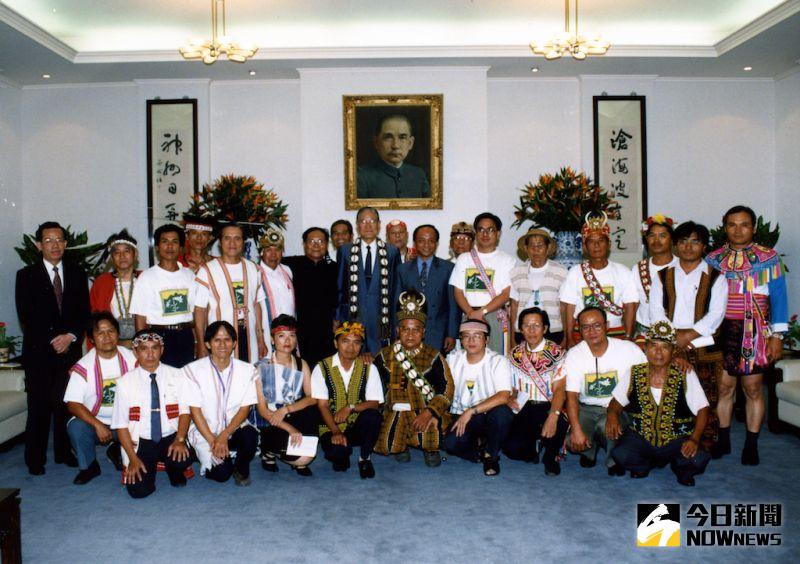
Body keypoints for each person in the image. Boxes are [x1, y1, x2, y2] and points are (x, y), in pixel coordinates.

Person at [706, 205, 788, 465]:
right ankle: (724, 438)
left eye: (744, 224)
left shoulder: (769, 258)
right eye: (732, 224)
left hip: (754, 330)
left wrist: (778, 336)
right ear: (724, 227)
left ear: (753, 227)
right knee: (723, 387)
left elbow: (779, 298)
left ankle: (751, 444)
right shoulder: (713, 259)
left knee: (752, 388)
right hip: (722, 330)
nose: (738, 230)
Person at [16, 221, 90, 475]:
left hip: (69, 350)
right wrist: (54, 338)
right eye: (48, 240)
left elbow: (84, 313)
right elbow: (27, 316)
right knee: (38, 406)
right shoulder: (26, 276)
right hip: (39, 351)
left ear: (66, 244)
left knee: (65, 403)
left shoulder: (78, 273)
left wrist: (70, 336)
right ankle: (35, 459)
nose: (54, 245)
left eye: (59, 240)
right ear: (39, 245)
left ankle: (62, 452)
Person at [649, 221, 727, 449]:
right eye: (683, 241)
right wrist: (673, 339)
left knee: (705, 398)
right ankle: (670, 444)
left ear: (704, 246)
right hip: (667, 346)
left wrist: (689, 335)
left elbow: (716, 314)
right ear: (675, 245)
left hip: (704, 345)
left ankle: (704, 445)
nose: (688, 247)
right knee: (670, 397)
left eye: (695, 242)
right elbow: (656, 312)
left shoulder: (716, 277)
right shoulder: (663, 277)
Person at [607, 321, 711, 486]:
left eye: (665, 347)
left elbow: (703, 409)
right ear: (646, 348)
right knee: (620, 454)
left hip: (676, 440)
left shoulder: (685, 373)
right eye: (653, 346)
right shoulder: (635, 372)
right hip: (642, 438)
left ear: (673, 351)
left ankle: (680, 468)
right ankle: (643, 465)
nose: (658, 352)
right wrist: (612, 415)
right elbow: (616, 402)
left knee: (699, 458)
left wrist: (694, 439)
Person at [373, 291, 454, 467]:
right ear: (397, 331)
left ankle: (430, 448)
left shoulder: (434, 355)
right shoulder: (384, 356)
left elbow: (447, 389)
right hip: (395, 410)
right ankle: (401, 445)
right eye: (405, 329)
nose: (410, 335)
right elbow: (373, 389)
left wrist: (430, 412)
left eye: (416, 330)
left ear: (423, 332)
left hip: (425, 410)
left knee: (431, 432)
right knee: (388, 441)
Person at [564, 307, 646, 475]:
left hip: (617, 408)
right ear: (579, 329)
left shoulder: (628, 349)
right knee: (572, 441)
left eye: (597, 325)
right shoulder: (574, 354)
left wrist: (677, 360)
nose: (592, 331)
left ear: (607, 325)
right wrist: (577, 430)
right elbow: (571, 396)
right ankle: (589, 452)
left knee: (605, 426)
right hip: (586, 407)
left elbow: (650, 372)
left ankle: (613, 459)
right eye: (586, 327)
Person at [111, 330, 192, 499]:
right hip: (142, 441)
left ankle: (173, 470)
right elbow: (120, 424)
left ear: (162, 350)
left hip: (171, 436)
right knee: (138, 491)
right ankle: (123, 455)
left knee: (182, 458)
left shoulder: (177, 375)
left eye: (154, 348)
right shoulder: (125, 382)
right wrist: (133, 459)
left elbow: (185, 412)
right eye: (143, 349)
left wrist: (180, 440)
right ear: (135, 352)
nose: (150, 353)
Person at [64, 312, 136, 484]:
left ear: (117, 334)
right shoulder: (83, 366)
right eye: (100, 333)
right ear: (91, 339)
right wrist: (97, 425)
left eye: (111, 331)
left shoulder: (132, 358)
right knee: (76, 427)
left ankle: (118, 450)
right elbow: (72, 404)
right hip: (97, 422)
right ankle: (89, 466)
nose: (106, 337)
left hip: (127, 420)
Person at [184, 321, 259, 486]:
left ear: (234, 343)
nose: (223, 344)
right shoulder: (192, 371)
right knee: (222, 474)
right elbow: (195, 412)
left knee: (250, 436)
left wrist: (224, 435)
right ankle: (204, 454)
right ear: (207, 344)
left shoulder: (248, 371)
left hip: (233, 428)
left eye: (227, 339)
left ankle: (240, 467)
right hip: (205, 432)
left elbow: (244, 409)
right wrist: (213, 440)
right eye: (217, 340)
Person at [312, 322, 384, 478]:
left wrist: (351, 407)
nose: (351, 347)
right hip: (331, 426)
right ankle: (341, 454)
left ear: (361, 346)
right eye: (345, 341)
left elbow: (375, 402)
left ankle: (365, 458)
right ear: (335, 343)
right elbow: (322, 405)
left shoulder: (369, 367)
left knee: (373, 416)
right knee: (339, 457)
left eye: (356, 342)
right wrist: (336, 431)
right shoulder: (322, 367)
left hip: (356, 424)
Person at [502, 307, 569, 476]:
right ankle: (535, 446)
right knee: (512, 449)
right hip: (523, 406)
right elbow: (508, 385)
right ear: (520, 329)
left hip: (549, 405)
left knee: (558, 423)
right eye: (526, 325)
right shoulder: (514, 354)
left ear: (545, 328)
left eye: (536, 325)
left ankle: (551, 457)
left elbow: (560, 389)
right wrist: (509, 397)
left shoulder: (557, 353)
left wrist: (553, 415)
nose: (531, 330)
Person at [252, 315, 320, 476]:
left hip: (291, 413)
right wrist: (290, 429)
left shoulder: (301, 363)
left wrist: (287, 409)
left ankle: (296, 456)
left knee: (311, 412)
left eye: (292, 335)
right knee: (302, 458)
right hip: (271, 420)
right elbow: (262, 410)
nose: (287, 340)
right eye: (281, 336)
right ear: (273, 340)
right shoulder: (261, 367)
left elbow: (311, 397)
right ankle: (268, 452)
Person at [444, 320, 513, 476]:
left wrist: (471, 411)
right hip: (461, 415)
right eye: (466, 336)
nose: (471, 340)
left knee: (503, 413)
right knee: (450, 444)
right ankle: (480, 450)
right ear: (460, 340)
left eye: (477, 336)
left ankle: (491, 455)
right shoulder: (452, 359)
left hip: (488, 414)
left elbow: (503, 396)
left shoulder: (498, 361)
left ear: (487, 340)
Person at [559, 213, 638, 347]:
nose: (596, 245)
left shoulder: (623, 271)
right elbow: (568, 307)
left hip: (614, 332)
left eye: (601, 240)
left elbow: (631, 305)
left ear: (609, 244)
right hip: (583, 334)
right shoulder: (575, 272)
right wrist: (569, 338)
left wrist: (629, 336)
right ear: (584, 246)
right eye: (591, 241)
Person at [194, 223, 267, 363]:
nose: (232, 243)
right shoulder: (207, 270)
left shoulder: (253, 268)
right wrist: (201, 344)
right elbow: (199, 310)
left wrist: (260, 337)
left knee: (248, 377)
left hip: (249, 336)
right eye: (227, 238)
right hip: (220, 340)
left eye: (237, 238)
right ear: (220, 242)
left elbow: (256, 304)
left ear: (243, 242)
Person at [130, 223, 198, 368]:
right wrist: (144, 345)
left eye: (174, 242)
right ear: (157, 247)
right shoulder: (147, 277)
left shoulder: (189, 275)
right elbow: (140, 317)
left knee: (185, 380)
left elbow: (195, 313)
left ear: (181, 247)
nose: (169, 246)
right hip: (158, 336)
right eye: (164, 241)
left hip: (185, 335)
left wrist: (197, 341)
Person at [336, 207, 400, 356]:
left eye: (372, 221)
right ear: (357, 225)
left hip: (381, 320)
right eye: (363, 221)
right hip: (353, 317)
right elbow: (340, 287)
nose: (368, 225)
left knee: (380, 364)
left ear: (379, 224)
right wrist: (338, 317)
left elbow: (395, 289)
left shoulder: (391, 252)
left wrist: (396, 322)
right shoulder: (345, 251)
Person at [450, 212, 516, 355]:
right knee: (470, 359)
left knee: (497, 358)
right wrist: (470, 313)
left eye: (490, 230)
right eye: (481, 230)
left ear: (498, 234)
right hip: (469, 314)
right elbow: (458, 291)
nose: (485, 234)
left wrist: (482, 312)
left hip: (494, 315)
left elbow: (506, 294)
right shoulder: (464, 259)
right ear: (476, 233)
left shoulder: (507, 260)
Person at [395, 224, 459, 353]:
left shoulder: (448, 268)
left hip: (438, 333)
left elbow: (453, 305)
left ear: (436, 243)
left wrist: (452, 334)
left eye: (431, 241)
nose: (426, 244)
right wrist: (397, 332)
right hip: (409, 333)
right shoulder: (403, 269)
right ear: (415, 243)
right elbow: (397, 304)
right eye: (421, 241)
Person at [282, 227, 339, 367]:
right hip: (301, 330)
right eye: (311, 241)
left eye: (321, 241)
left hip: (327, 331)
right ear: (304, 244)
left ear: (327, 244)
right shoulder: (291, 264)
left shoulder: (335, 268)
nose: (316, 245)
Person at [509, 228, 568, 346]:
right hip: (523, 332)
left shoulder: (561, 272)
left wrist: (566, 336)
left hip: (553, 331)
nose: (536, 250)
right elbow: (514, 306)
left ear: (548, 248)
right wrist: (512, 338)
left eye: (540, 245)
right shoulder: (516, 273)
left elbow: (564, 307)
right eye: (532, 246)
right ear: (526, 249)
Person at [357, 114, 431, 199]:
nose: (395, 145)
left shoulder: (418, 174)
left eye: (402, 137)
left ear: (410, 143)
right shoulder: (362, 177)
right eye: (388, 137)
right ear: (376, 142)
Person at [89, 229, 140, 345]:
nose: (122, 256)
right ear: (112, 257)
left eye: (127, 251)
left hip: (143, 343)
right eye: (117, 252)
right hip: (111, 344)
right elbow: (94, 318)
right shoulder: (102, 282)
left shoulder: (145, 278)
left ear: (135, 254)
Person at [632, 215, 678, 337]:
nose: (656, 241)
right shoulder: (638, 268)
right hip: (645, 330)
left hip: (677, 330)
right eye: (652, 236)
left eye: (662, 236)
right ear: (646, 239)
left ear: (672, 240)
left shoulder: (682, 266)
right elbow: (633, 304)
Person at [256, 228, 296, 357]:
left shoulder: (287, 271)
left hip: (288, 335)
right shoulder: (254, 272)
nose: (273, 254)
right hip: (266, 334)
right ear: (261, 252)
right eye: (268, 250)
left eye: (277, 250)